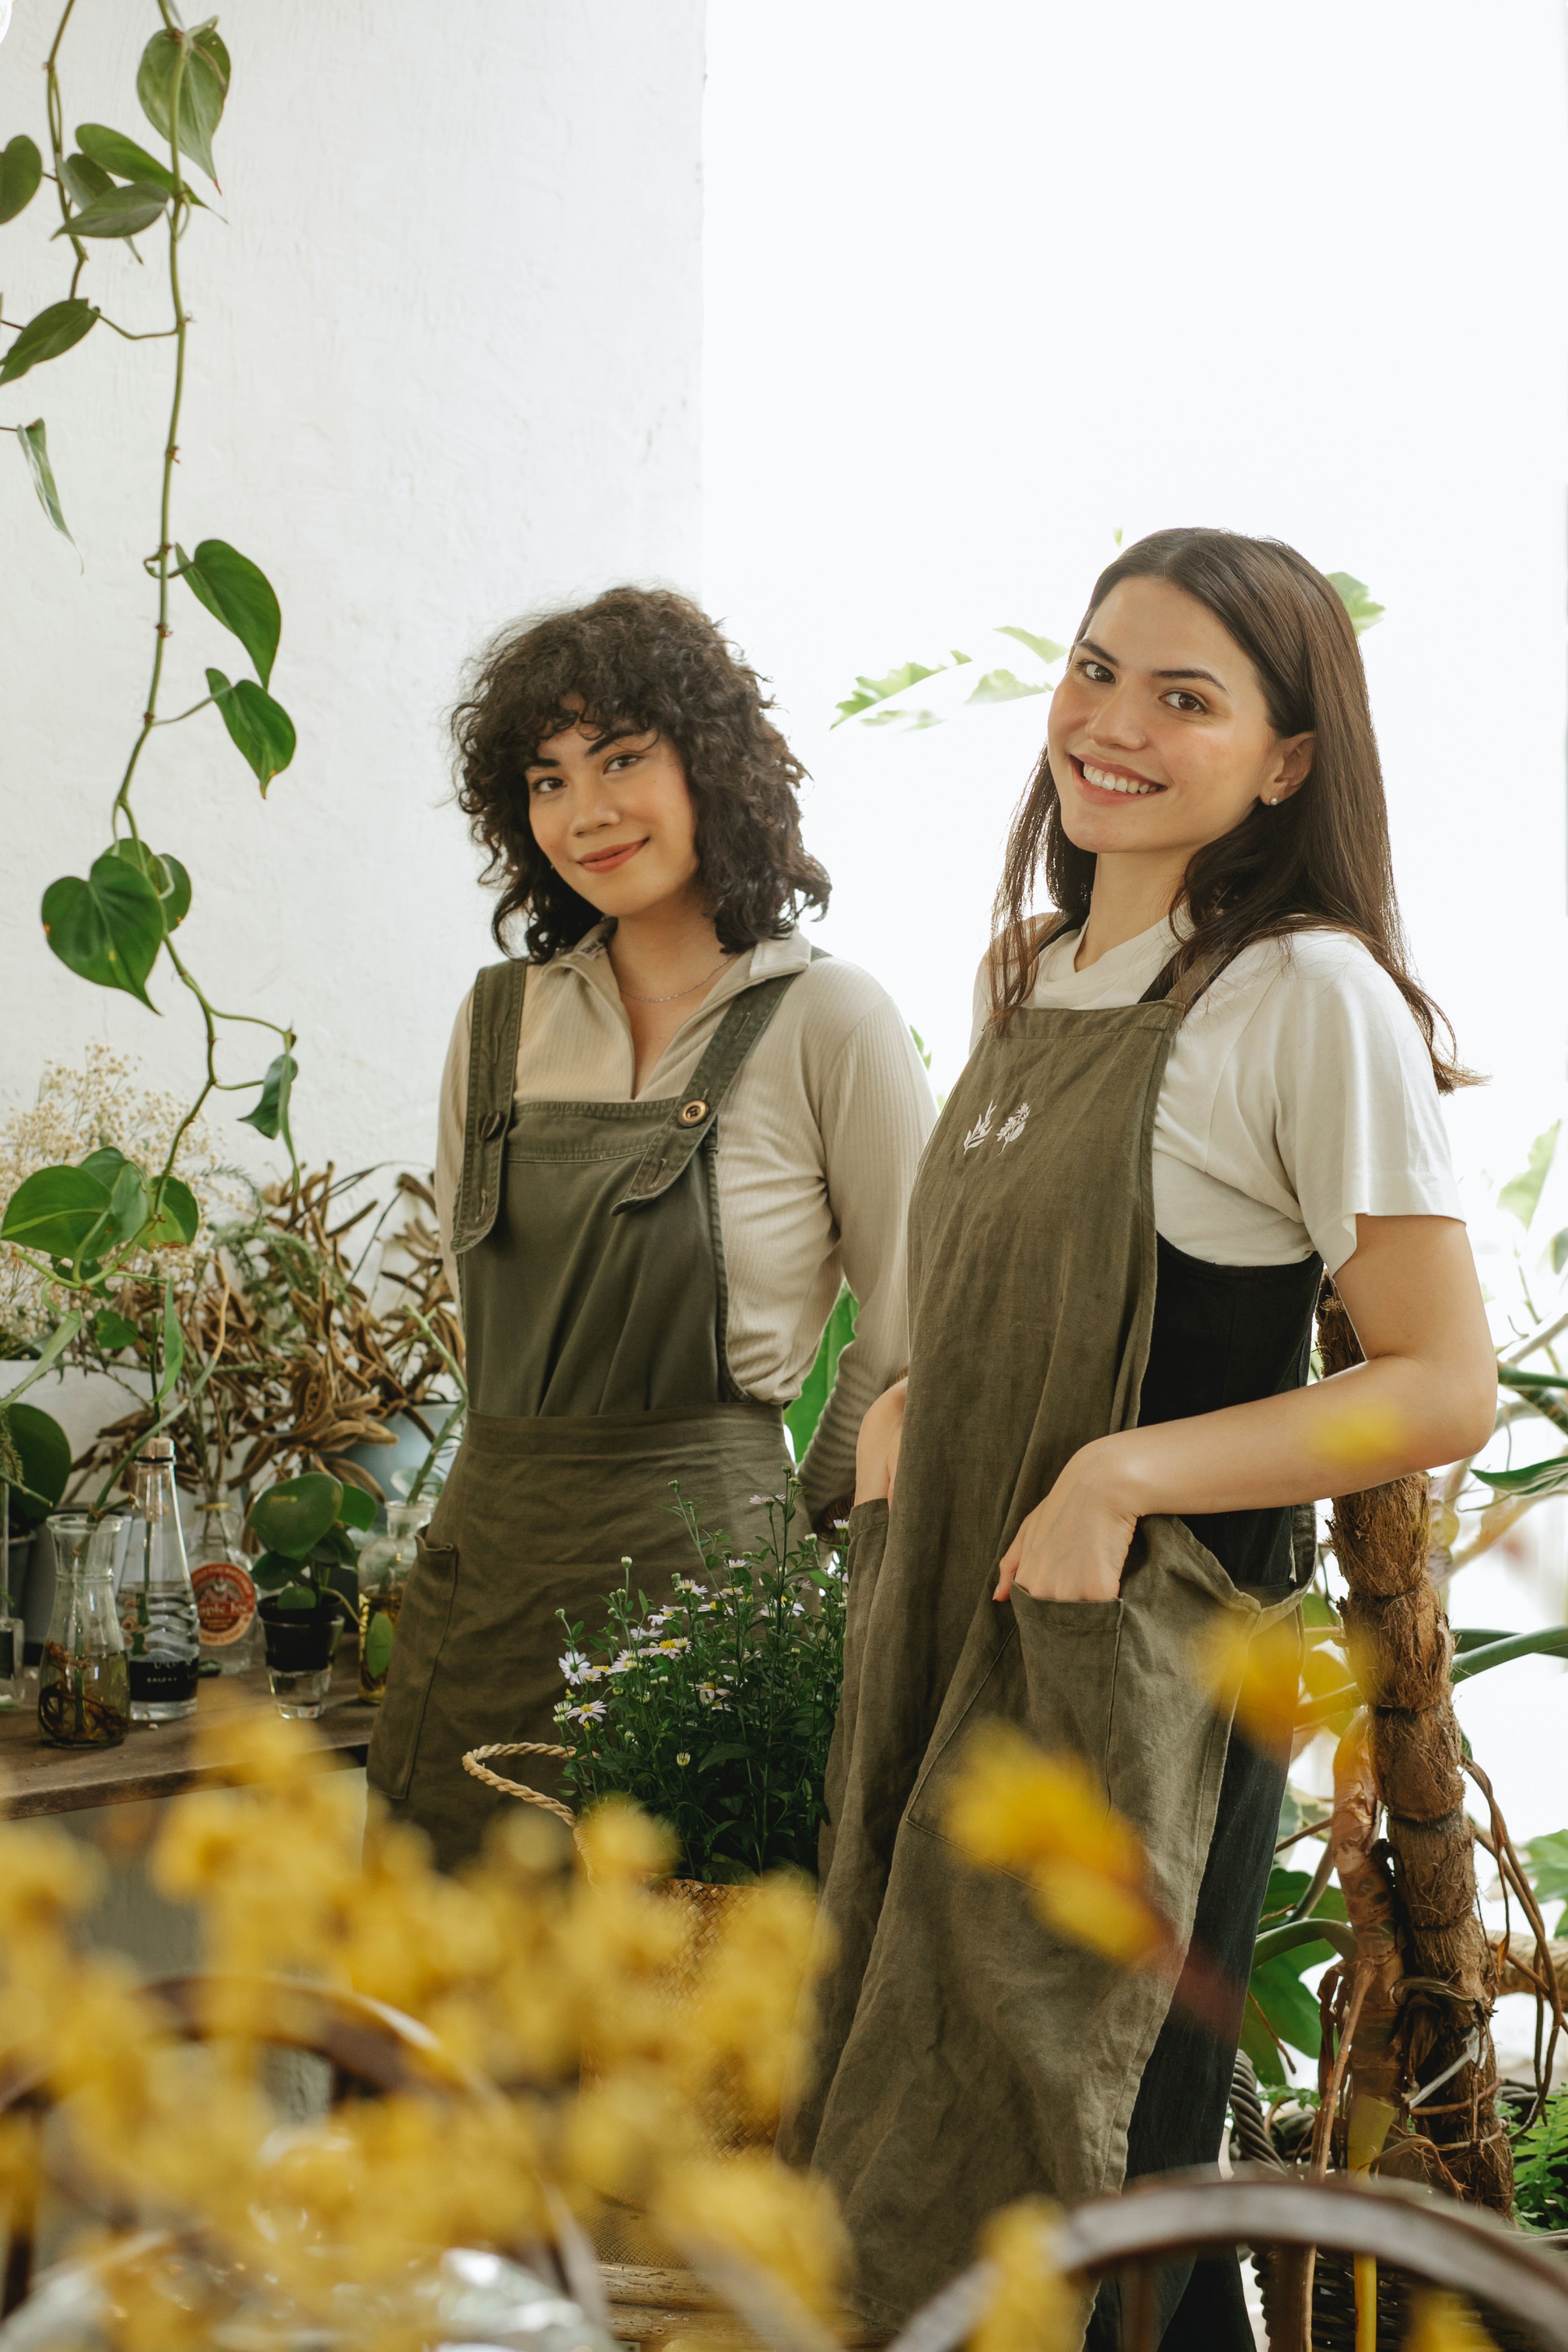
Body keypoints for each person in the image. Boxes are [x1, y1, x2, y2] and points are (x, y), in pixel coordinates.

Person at [780, 529, 1497, 2346]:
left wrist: (1121, 1472)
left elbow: (1437, 1379)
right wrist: (910, 1409)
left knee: (1077, 2173)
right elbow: (992, 1288)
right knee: (897, 2150)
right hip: (943, 1623)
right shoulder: (1030, 975)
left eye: (1187, 696)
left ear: (1286, 761)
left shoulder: (1301, 996)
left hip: (1137, 1680)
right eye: (1098, 669)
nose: (1111, 723)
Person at [366, 588, 935, 1871]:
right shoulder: (498, 1020)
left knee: (686, 2013)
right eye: (549, 778)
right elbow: (482, 1318)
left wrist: (783, 1514)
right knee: (437, 2008)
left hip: (714, 1608)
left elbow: (912, 1332)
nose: (587, 812)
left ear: (713, 766)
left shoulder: (829, 1018)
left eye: (624, 758)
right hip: (485, 1588)